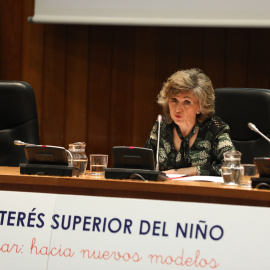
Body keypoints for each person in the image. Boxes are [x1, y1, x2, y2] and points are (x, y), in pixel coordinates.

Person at [145, 68, 235, 176]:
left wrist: (190, 171)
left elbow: (232, 166)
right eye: (174, 100)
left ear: (200, 107)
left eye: (187, 102)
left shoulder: (214, 128)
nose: (178, 109)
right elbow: (145, 164)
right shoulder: (162, 125)